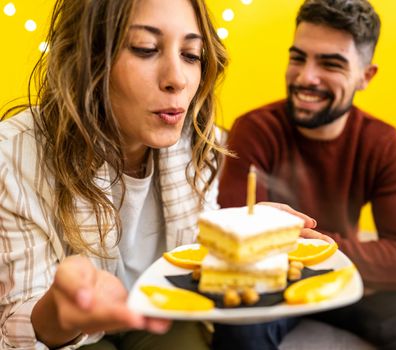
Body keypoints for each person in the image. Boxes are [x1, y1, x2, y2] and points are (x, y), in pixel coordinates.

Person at [216, 0, 396, 349]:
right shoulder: (254, 130)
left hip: (344, 276)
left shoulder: (383, 143)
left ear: (366, 76)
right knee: (238, 326)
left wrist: (312, 246)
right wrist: (323, 249)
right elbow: (241, 238)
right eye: (298, 58)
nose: (305, 77)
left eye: (330, 64)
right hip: (272, 282)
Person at [0, 0, 231, 348]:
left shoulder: (198, 141)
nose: (177, 79)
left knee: (181, 336)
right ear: (88, 59)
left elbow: (200, 260)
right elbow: (16, 326)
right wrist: (61, 312)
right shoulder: (12, 157)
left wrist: (250, 239)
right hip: (67, 341)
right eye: (146, 49)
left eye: (191, 54)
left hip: (161, 313)